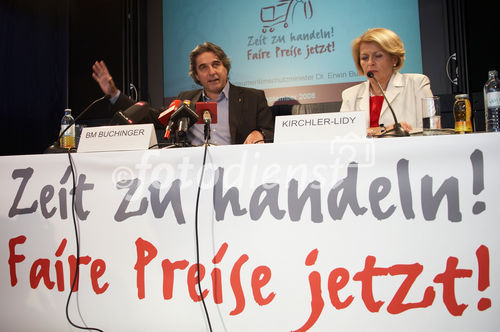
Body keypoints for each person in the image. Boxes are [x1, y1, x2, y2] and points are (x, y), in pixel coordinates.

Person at [92, 42, 274, 145]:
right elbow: (150, 115)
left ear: (225, 67)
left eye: (216, 64)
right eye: (203, 68)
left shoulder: (253, 98)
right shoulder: (186, 99)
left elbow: (272, 131)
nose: (212, 72)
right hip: (192, 172)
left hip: (237, 169)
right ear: (196, 76)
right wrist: (115, 94)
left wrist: (260, 134)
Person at [340, 28, 433, 136]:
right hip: (365, 153)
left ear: (394, 59)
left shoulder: (417, 84)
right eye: (364, 58)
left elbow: (432, 130)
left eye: (378, 56)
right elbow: (344, 135)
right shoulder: (350, 95)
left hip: (406, 152)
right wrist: (384, 130)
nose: (370, 63)